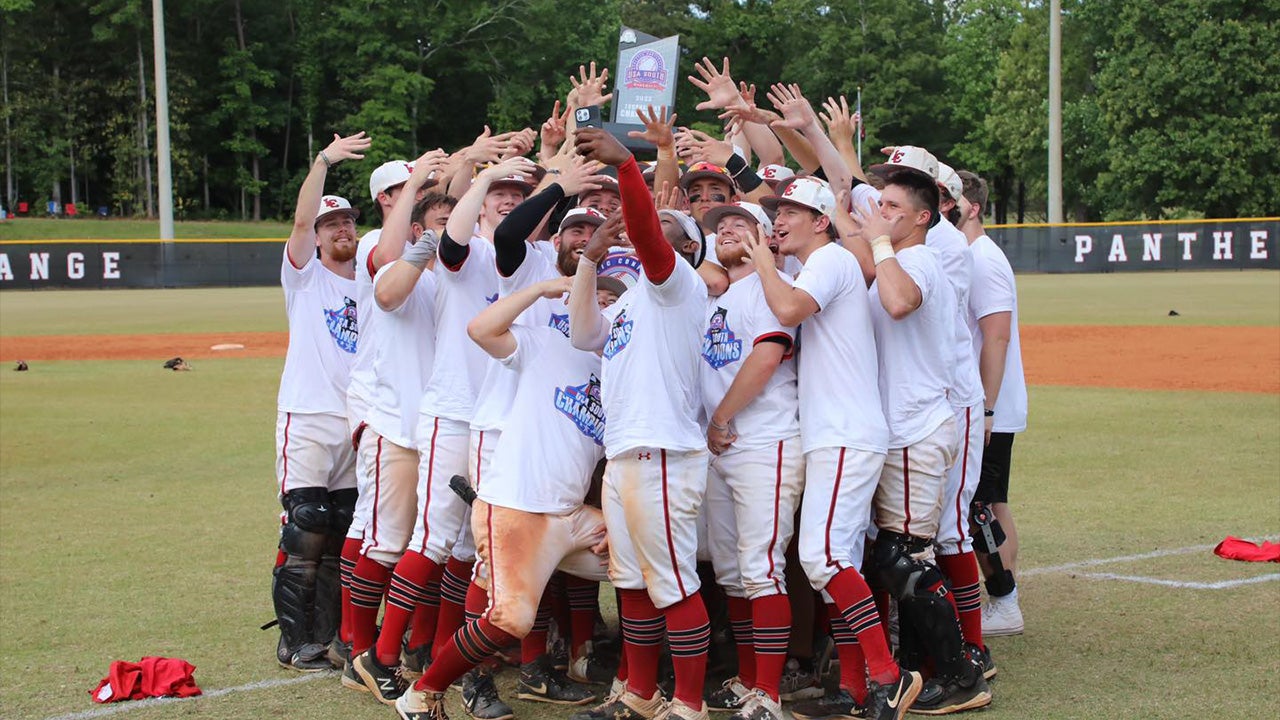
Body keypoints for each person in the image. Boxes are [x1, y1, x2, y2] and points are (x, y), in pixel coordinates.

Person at [394, 272, 617, 720]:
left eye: (613, 304)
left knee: (649, 566)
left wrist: (617, 524)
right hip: (517, 509)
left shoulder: (620, 374)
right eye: (596, 298)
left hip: (570, 515)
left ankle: (634, 688)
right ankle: (423, 691)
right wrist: (538, 290)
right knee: (511, 620)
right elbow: (479, 329)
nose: (602, 308)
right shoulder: (550, 345)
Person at [743, 176, 921, 720]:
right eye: (778, 209)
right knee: (832, 562)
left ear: (821, 220)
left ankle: (887, 677)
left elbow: (790, 310)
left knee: (822, 558)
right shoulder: (822, 263)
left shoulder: (829, 260)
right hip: (835, 431)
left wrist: (763, 262)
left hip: (845, 431)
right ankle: (855, 690)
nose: (779, 218)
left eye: (791, 210)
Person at [567, 127, 712, 720]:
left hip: (663, 453)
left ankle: (690, 703)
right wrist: (591, 259)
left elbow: (653, 241)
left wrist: (631, 166)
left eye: (670, 224)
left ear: (686, 249)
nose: (652, 224)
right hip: (627, 454)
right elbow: (583, 333)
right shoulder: (628, 300)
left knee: (674, 584)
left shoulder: (679, 283)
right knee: (630, 585)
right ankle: (640, 694)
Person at [849, 170, 991, 715]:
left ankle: (962, 673)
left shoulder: (923, 259)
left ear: (922, 217)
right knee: (895, 554)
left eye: (891, 206)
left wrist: (879, 241)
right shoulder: (894, 255)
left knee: (902, 557)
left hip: (917, 429)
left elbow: (901, 302)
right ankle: (923, 665)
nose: (879, 211)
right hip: (898, 429)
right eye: (878, 204)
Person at [346, 150, 450, 704]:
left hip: (431, 432)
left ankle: (382, 651)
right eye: (436, 224)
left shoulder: (451, 277)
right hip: (395, 427)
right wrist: (420, 213)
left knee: (425, 546)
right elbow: (387, 290)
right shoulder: (389, 260)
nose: (445, 231)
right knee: (385, 544)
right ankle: (362, 654)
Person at [697, 202, 802, 720]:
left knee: (762, 569)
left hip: (765, 439)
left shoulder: (769, 285)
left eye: (742, 223)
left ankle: (769, 694)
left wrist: (719, 420)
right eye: (720, 226)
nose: (727, 230)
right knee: (734, 573)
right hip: (724, 448)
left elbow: (767, 356)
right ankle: (747, 679)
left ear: (766, 237)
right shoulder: (719, 294)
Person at [271, 131, 370, 672]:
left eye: (348, 221)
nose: (342, 229)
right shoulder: (304, 278)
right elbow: (301, 222)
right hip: (308, 416)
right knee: (306, 524)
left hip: (355, 423)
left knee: (342, 529)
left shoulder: (370, 284)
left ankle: (331, 635)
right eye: (333, 224)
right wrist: (324, 162)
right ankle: (294, 641)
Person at [955, 170, 1027, 638]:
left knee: (982, 508)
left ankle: (1004, 600)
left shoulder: (983, 259)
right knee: (988, 504)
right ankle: (1003, 596)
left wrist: (986, 408)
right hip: (986, 405)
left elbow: (995, 337)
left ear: (973, 206)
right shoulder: (965, 256)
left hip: (991, 408)